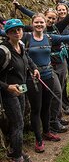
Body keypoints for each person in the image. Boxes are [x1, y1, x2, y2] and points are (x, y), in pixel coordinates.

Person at [1, 14, 69, 153]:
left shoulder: (49, 37)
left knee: (46, 107)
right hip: (33, 80)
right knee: (36, 109)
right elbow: (5, 31)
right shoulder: (25, 37)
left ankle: (46, 132)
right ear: (32, 24)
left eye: (41, 22)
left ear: (45, 24)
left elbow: (68, 37)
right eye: (36, 22)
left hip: (48, 76)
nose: (39, 24)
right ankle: (38, 140)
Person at [14, 0, 69, 133]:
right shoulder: (32, 31)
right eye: (48, 18)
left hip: (56, 64)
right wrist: (20, 8)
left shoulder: (56, 28)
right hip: (40, 70)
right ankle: (51, 123)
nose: (49, 21)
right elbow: (20, 23)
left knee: (58, 92)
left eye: (53, 18)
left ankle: (55, 119)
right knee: (52, 95)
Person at [0, 19, 38, 162]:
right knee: (18, 123)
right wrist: (7, 87)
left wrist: (34, 68)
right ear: (7, 34)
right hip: (9, 93)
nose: (17, 32)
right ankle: (17, 156)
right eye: (13, 31)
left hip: (21, 89)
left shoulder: (20, 46)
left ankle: (16, 150)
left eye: (19, 29)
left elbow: (27, 59)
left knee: (19, 121)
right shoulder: (3, 51)